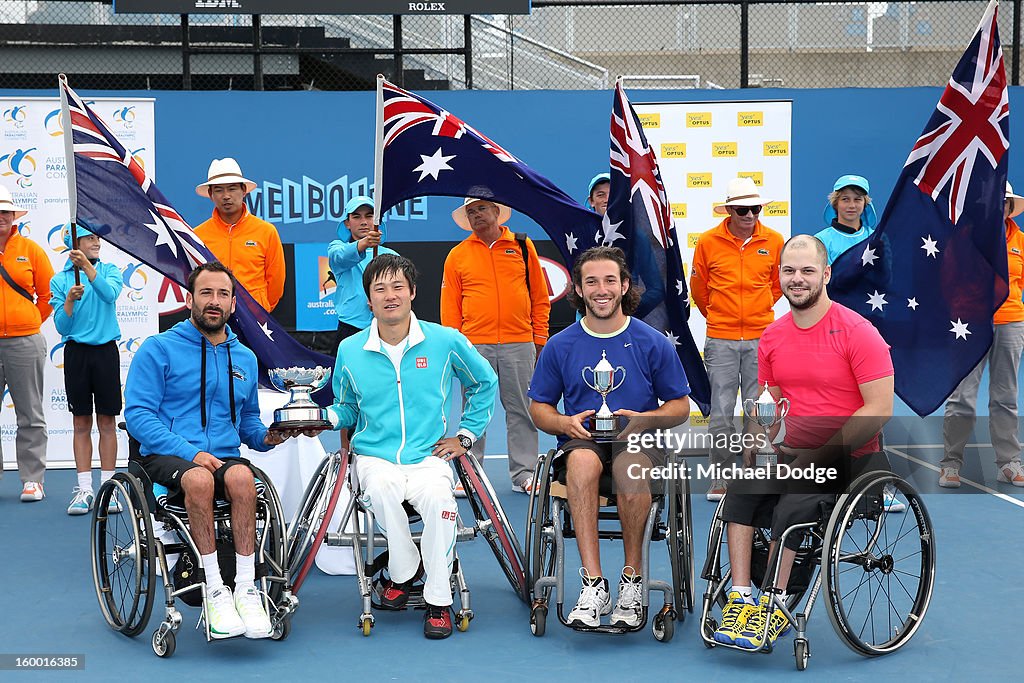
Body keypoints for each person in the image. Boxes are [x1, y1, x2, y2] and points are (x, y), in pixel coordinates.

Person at [713, 234, 893, 651]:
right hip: (791, 455)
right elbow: (770, 404)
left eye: (808, 270)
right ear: (779, 277)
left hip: (854, 459)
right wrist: (756, 444)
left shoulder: (858, 332)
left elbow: (879, 409)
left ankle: (775, 604)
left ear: (826, 274)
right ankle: (743, 598)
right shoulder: (773, 337)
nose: (798, 279)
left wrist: (823, 452)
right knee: (740, 490)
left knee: (796, 494)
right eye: (789, 271)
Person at [124, 262, 304, 640]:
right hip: (163, 454)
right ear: (190, 299)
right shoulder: (159, 349)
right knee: (200, 479)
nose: (214, 301)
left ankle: (245, 586)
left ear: (233, 305)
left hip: (222, 457)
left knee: (242, 477)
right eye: (206, 293)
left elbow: (248, 424)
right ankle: (213, 588)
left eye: (223, 294)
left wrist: (268, 437)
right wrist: (190, 452)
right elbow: (138, 416)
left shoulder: (245, 358)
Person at [329, 253, 498, 639]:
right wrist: (323, 418)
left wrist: (467, 435)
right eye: (380, 289)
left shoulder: (445, 340)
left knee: (441, 503)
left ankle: (439, 602)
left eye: (397, 287)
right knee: (382, 491)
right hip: (375, 457)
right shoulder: (350, 349)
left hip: (428, 458)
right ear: (368, 299)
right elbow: (347, 406)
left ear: (412, 293)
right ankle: (406, 571)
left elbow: (484, 383)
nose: (390, 296)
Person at [528, 246, 690, 629]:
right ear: (580, 290)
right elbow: (540, 409)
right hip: (582, 440)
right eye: (592, 282)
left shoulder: (652, 341)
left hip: (638, 442)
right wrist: (565, 424)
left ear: (624, 286)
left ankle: (632, 581)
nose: (601, 289)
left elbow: (680, 406)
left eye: (609, 280)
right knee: (582, 462)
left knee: (630, 468)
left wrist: (645, 420)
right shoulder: (560, 344)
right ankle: (593, 583)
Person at [441, 197, 550, 493]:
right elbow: (450, 307)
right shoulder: (457, 255)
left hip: (520, 342)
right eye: (471, 211)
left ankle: (525, 474)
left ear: (497, 212)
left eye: (482, 208)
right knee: (474, 410)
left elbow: (539, 297)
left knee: (523, 410)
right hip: (474, 347)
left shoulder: (523, 246)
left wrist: (539, 338)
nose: (477, 215)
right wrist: (456, 348)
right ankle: (471, 476)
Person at [690, 177, 784, 501]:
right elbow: (699, 290)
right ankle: (720, 475)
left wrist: (757, 312)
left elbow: (777, 285)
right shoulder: (707, 241)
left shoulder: (774, 240)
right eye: (742, 209)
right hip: (721, 338)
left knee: (758, 411)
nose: (749, 216)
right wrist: (720, 315)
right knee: (721, 412)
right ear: (729, 209)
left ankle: (754, 473)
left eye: (755, 209)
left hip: (762, 338)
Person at [940, 182, 1024, 488]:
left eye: (1003, 203)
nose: (997, 208)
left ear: (1008, 208)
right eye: (992, 202)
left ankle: (1009, 463)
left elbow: (1020, 283)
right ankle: (950, 464)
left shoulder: (1021, 241)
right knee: (962, 396)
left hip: (1011, 322)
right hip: (970, 325)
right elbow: (948, 280)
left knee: (1006, 396)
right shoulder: (963, 240)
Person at [49, 224, 123, 515]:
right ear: (74, 242)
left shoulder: (109, 270)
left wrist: (89, 272)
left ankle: (108, 488)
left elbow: (109, 295)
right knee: (81, 423)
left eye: (97, 237)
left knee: (107, 422)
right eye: (90, 237)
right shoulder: (60, 280)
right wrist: (69, 300)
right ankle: (84, 489)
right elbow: (62, 326)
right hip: (76, 353)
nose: (97, 242)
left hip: (106, 352)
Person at [0, 185, 53, 502]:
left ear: (13, 216)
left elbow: (48, 296)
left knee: (30, 414)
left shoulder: (30, 249)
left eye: (4, 212)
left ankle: (33, 479)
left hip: (25, 342)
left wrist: (29, 321)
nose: (0, 218)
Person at [194, 158, 285, 312]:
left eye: (232, 188)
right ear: (210, 194)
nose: (226, 196)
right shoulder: (198, 235)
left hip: (255, 319)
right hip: (212, 315)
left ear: (244, 191)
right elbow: (194, 281)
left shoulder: (266, 231)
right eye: (218, 190)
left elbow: (276, 284)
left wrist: (260, 309)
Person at [327, 196, 397, 354]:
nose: (364, 221)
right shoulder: (337, 247)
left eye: (369, 215)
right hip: (350, 328)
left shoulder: (392, 256)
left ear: (377, 220)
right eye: (356, 216)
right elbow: (339, 257)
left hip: (385, 328)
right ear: (347, 223)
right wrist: (364, 243)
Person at [813, 174, 878, 264]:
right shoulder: (821, 240)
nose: (852, 205)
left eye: (857, 199)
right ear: (836, 203)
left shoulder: (876, 238)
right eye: (845, 199)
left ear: (865, 204)